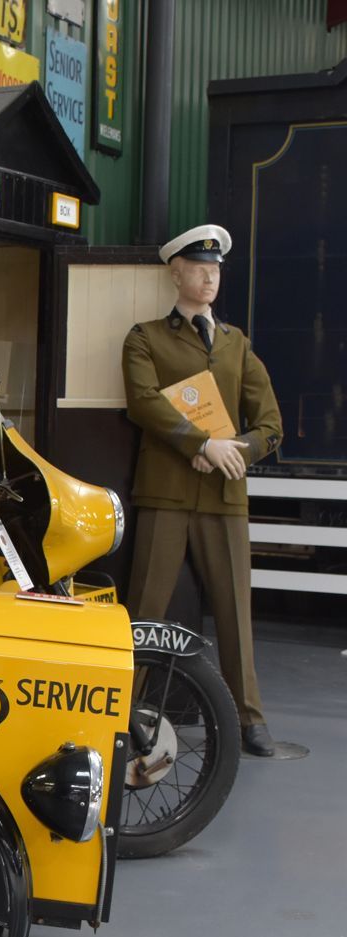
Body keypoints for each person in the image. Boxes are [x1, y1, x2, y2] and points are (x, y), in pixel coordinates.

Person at [122, 223, 283, 757]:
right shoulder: (145, 336)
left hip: (223, 496)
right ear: (176, 273)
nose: (209, 277)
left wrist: (233, 450)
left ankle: (249, 719)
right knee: (146, 608)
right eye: (198, 268)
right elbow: (143, 401)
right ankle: (123, 713)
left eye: (215, 270)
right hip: (166, 493)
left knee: (236, 609)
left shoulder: (237, 344)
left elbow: (270, 423)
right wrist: (198, 442)